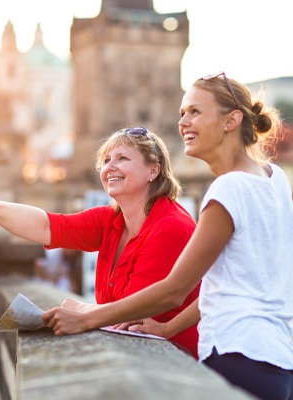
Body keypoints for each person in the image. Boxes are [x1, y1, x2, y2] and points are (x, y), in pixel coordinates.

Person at [42, 72, 293, 400]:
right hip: (276, 362)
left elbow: (175, 290)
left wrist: (87, 317)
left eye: (195, 112)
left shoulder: (228, 188)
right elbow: (230, 284)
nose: (183, 121)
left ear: (232, 120)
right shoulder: (274, 178)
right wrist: (168, 329)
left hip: (236, 355)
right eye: (181, 113)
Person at [0, 127, 199, 358]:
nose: (110, 167)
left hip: (180, 362)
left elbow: (130, 313)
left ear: (153, 171)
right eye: (106, 161)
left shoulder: (170, 226)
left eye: (123, 158)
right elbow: (46, 226)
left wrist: (81, 310)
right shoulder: (110, 219)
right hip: (135, 353)